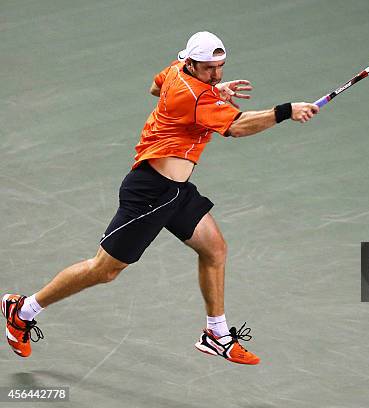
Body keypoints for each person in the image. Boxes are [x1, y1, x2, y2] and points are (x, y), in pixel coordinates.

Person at [2, 31, 319, 365]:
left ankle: (216, 334)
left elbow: (156, 89)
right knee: (104, 270)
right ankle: (22, 309)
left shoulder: (176, 70)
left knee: (215, 250)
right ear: (192, 62)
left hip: (177, 192)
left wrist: (213, 90)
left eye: (220, 67)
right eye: (209, 69)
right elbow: (238, 126)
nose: (217, 75)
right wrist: (287, 111)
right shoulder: (196, 97)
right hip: (150, 193)